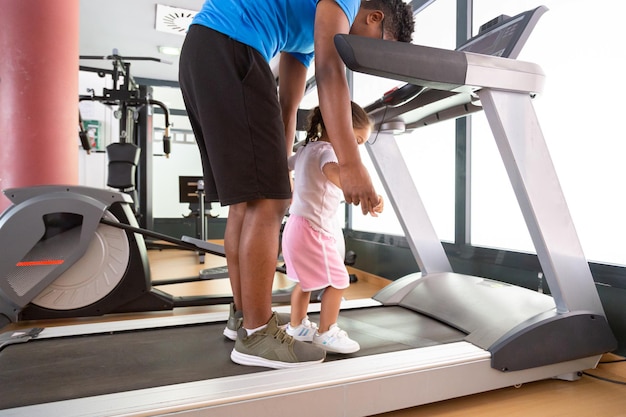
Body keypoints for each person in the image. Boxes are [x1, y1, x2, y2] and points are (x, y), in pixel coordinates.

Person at [178, 0, 414, 369]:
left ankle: (243, 318)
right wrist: (351, 162)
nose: (369, 59)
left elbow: (287, 104)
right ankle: (258, 335)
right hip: (230, 46)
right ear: (374, 17)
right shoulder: (345, 4)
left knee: (249, 202)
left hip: (205, 50)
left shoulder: (301, 33)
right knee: (264, 204)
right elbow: (331, 72)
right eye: (380, 44)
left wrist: (277, 169)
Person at [283, 103, 384, 354]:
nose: (356, 148)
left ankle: (296, 326)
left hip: (294, 225)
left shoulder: (307, 148)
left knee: (304, 283)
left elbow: (286, 164)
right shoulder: (328, 151)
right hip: (313, 231)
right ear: (340, 128)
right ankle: (326, 332)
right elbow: (335, 174)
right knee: (338, 281)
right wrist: (363, 189)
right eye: (357, 140)